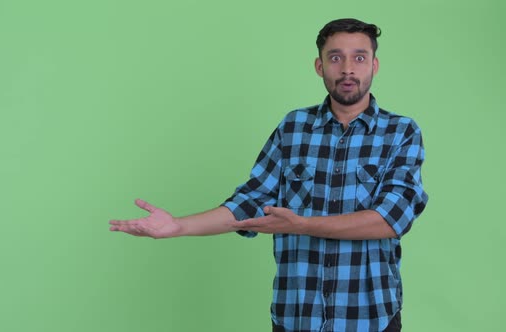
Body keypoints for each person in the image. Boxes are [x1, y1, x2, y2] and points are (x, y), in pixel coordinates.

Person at [109, 18, 428, 332]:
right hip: (296, 316)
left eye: (359, 57)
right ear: (319, 66)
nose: (347, 68)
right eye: (335, 57)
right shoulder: (293, 127)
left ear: (374, 65)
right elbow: (250, 202)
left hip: (369, 317)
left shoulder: (400, 132)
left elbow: (390, 220)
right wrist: (178, 226)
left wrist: (302, 225)